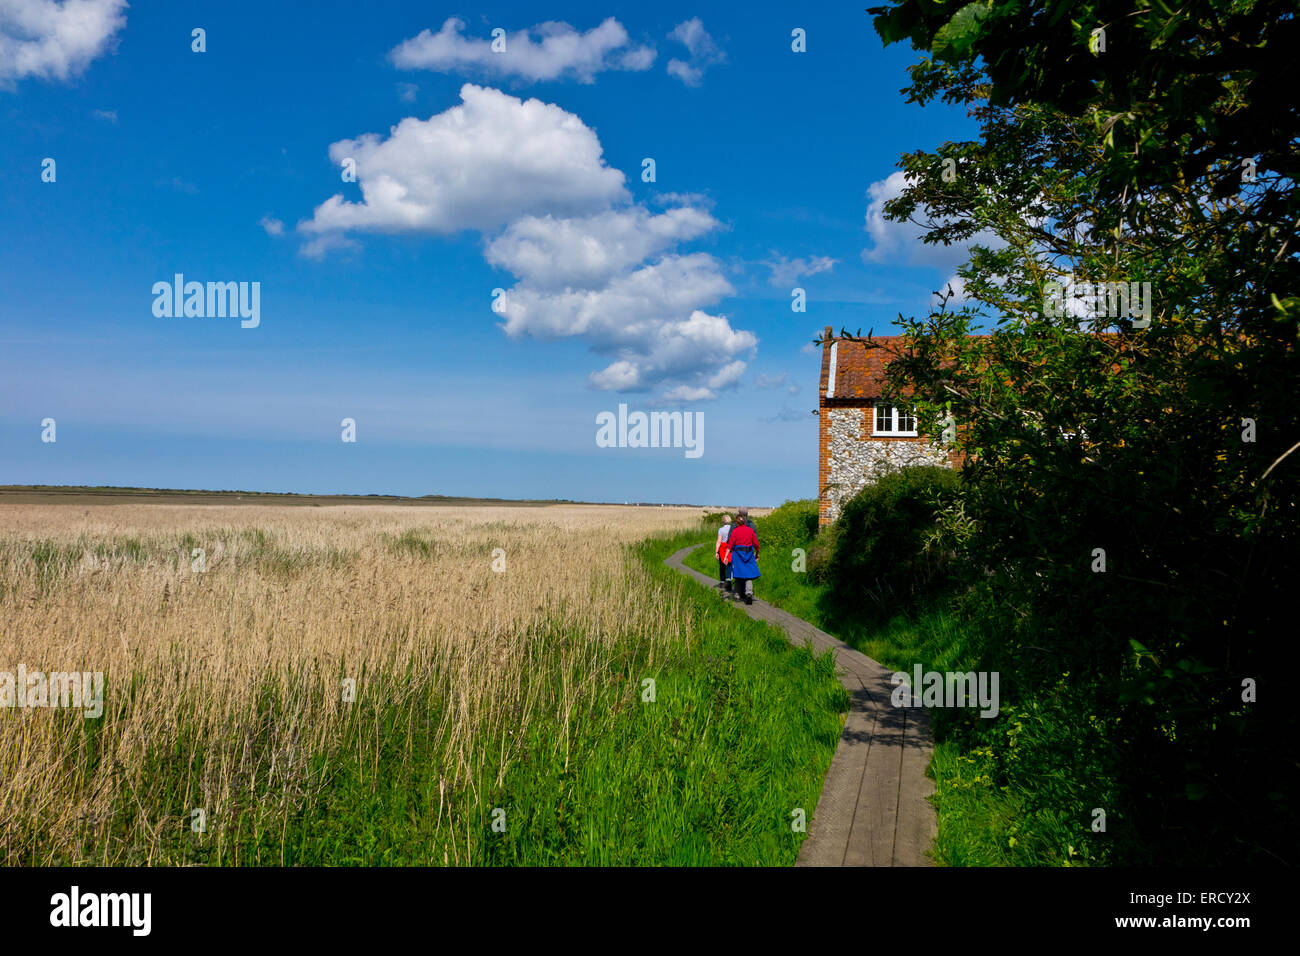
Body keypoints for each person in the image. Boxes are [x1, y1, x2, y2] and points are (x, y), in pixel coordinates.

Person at [727, 508, 760, 605]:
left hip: (737, 554)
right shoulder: (751, 527)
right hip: (749, 553)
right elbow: (756, 542)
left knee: (738, 574)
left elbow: (730, 542)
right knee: (749, 574)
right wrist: (757, 553)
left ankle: (737, 594)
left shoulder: (735, 528)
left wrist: (727, 554)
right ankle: (749, 593)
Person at [715, 514, 733, 590]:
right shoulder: (733, 529)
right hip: (730, 547)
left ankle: (722, 581)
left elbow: (719, 541)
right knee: (729, 564)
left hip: (722, 548)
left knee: (722, 565)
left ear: (723, 521)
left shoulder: (721, 529)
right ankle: (729, 580)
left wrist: (716, 551)